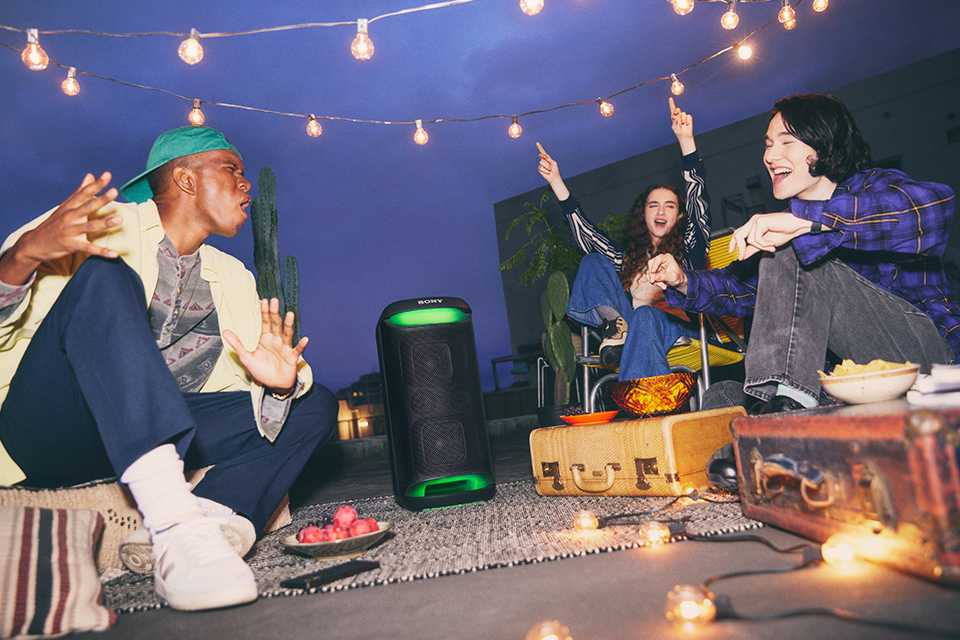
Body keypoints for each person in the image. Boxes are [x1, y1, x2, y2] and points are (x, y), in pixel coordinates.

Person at [0, 126, 337, 610]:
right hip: (47, 425)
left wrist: (280, 387)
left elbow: (242, 394)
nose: (247, 185)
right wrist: (21, 257)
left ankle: (212, 524)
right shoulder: (102, 224)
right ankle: (175, 524)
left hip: (160, 437)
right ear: (184, 179)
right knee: (107, 276)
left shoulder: (232, 276)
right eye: (231, 170)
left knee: (315, 405)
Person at [648, 93, 958, 413]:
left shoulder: (873, 186)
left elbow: (934, 209)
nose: (770, 155)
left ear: (821, 145)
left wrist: (808, 223)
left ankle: (784, 401)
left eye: (785, 142)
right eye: (768, 144)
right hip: (853, 378)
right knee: (722, 399)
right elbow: (740, 290)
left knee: (797, 251)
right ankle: (776, 423)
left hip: (928, 358)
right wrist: (682, 279)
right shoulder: (788, 236)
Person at [536, 97, 711, 381]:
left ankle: (644, 404)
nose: (661, 210)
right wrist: (556, 181)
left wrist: (686, 142)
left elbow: (698, 200)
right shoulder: (631, 257)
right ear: (644, 214)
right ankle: (616, 325)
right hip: (635, 324)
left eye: (670, 205)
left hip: (678, 325)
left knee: (645, 316)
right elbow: (589, 238)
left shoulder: (689, 246)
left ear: (679, 216)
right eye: (653, 205)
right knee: (594, 260)